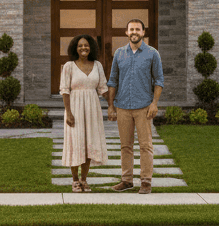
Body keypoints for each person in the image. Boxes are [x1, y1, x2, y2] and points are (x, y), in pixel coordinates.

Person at [106, 19, 164, 194]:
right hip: (122, 106)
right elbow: (113, 81)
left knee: (145, 145)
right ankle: (127, 180)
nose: (134, 32)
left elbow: (159, 81)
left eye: (137, 29)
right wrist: (110, 106)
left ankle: (146, 181)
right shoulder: (119, 54)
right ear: (126, 32)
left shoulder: (153, 54)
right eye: (131, 29)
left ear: (143, 32)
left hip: (144, 107)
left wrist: (154, 103)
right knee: (125, 146)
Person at [59, 34, 108, 192]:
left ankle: (84, 180)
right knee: (76, 143)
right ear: (75, 48)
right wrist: (69, 113)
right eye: (80, 45)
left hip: (92, 109)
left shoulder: (98, 65)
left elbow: (103, 88)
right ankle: (74, 181)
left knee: (88, 144)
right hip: (74, 108)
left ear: (91, 47)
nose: (83, 48)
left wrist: (114, 104)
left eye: (86, 45)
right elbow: (65, 90)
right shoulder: (69, 66)